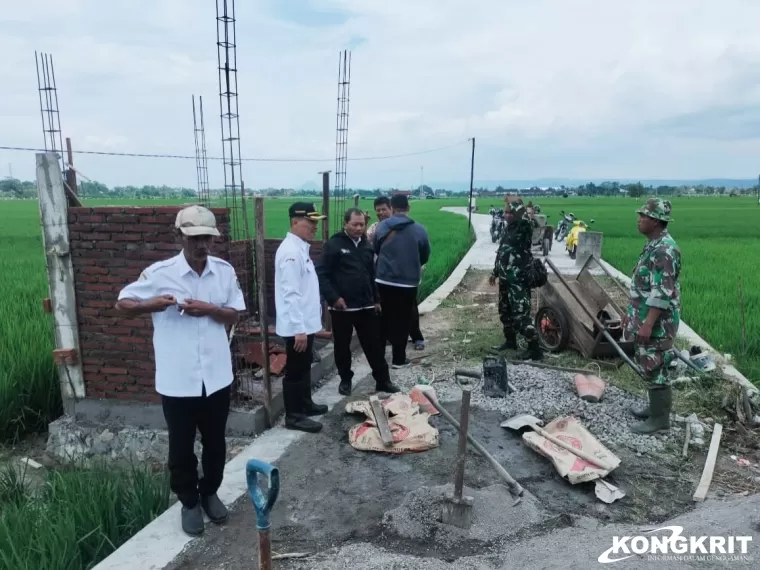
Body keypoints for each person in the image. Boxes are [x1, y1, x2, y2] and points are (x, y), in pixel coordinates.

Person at [115, 205, 245, 536]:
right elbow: (123, 303)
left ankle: (210, 492)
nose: (202, 245)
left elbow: (234, 315)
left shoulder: (224, 271)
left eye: (207, 238)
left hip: (216, 376)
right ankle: (188, 502)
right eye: (195, 238)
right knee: (181, 447)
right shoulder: (160, 273)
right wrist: (152, 304)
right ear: (179, 236)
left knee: (216, 442)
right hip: (177, 380)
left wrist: (210, 309)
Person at [316, 208, 399, 396]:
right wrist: (334, 297)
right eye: (355, 224)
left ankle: (383, 380)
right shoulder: (334, 245)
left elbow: (371, 274)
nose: (359, 228)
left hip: (366, 305)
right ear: (345, 224)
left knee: (374, 345)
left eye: (362, 224)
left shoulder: (366, 245)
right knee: (342, 346)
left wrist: (376, 299)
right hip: (342, 308)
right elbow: (321, 273)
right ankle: (345, 379)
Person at [626, 199, 681, 435]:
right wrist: (630, 317)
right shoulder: (653, 245)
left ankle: (660, 419)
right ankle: (654, 408)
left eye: (644, 216)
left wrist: (647, 323)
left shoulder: (664, 250)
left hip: (659, 323)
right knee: (649, 365)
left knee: (657, 365)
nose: (639, 219)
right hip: (645, 317)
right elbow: (644, 288)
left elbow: (662, 293)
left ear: (656, 221)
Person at [275, 202, 330, 434]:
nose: (314, 227)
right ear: (295, 222)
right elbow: (290, 293)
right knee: (295, 372)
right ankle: (294, 416)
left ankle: (305, 404)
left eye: (316, 222)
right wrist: (299, 328)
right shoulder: (290, 252)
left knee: (304, 367)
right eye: (311, 222)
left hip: (304, 324)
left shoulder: (300, 249)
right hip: (296, 326)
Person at [374, 194, 431, 368]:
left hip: (383, 280)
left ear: (392, 207)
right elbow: (425, 254)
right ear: (408, 208)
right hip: (407, 283)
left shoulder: (381, 227)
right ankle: (398, 360)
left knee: (382, 320)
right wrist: (412, 265)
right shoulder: (419, 229)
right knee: (402, 321)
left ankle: (379, 360)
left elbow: (376, 249)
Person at [489, 199, 543, 360]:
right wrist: (495, 272)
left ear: (516, 215)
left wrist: (518, 206)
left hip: (518, 280)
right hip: (505, 278)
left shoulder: (523, 228)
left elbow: (527, 219)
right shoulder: (508, 229)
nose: (506, 215)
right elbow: (502, 253)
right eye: (505, 212)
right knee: (505, 312)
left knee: (521, 316)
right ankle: (510, 341)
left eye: (509, 213)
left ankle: (535, 349)